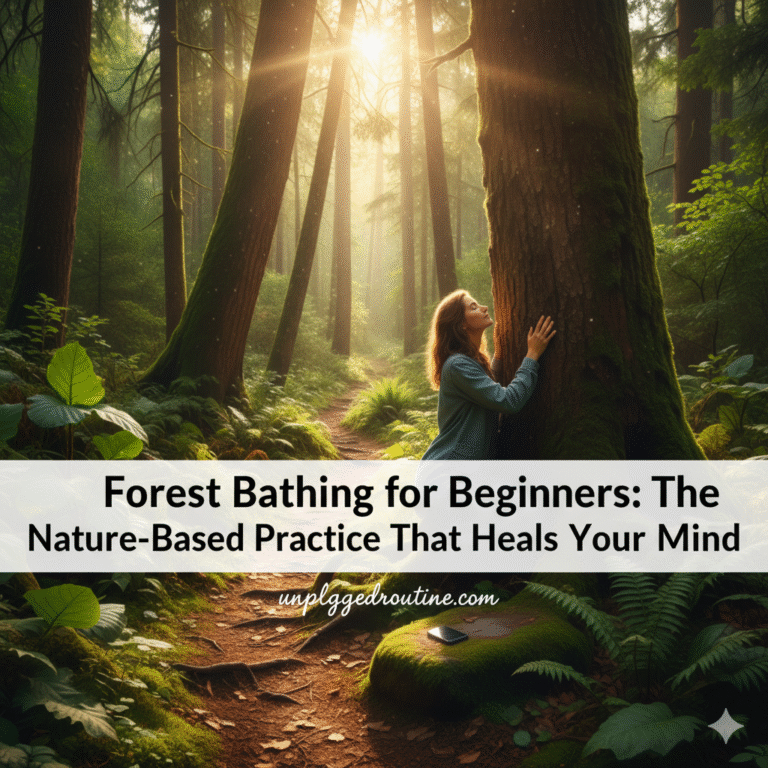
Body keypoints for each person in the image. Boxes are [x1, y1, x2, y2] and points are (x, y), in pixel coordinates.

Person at [421, 290, 555, 460]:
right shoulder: (457, 365)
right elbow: (508, 401)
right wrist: (532, 355)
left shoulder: (468, 361)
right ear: (461, 323)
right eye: (474, 307)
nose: (484, 308)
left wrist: (498, 357)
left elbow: (486, 389)